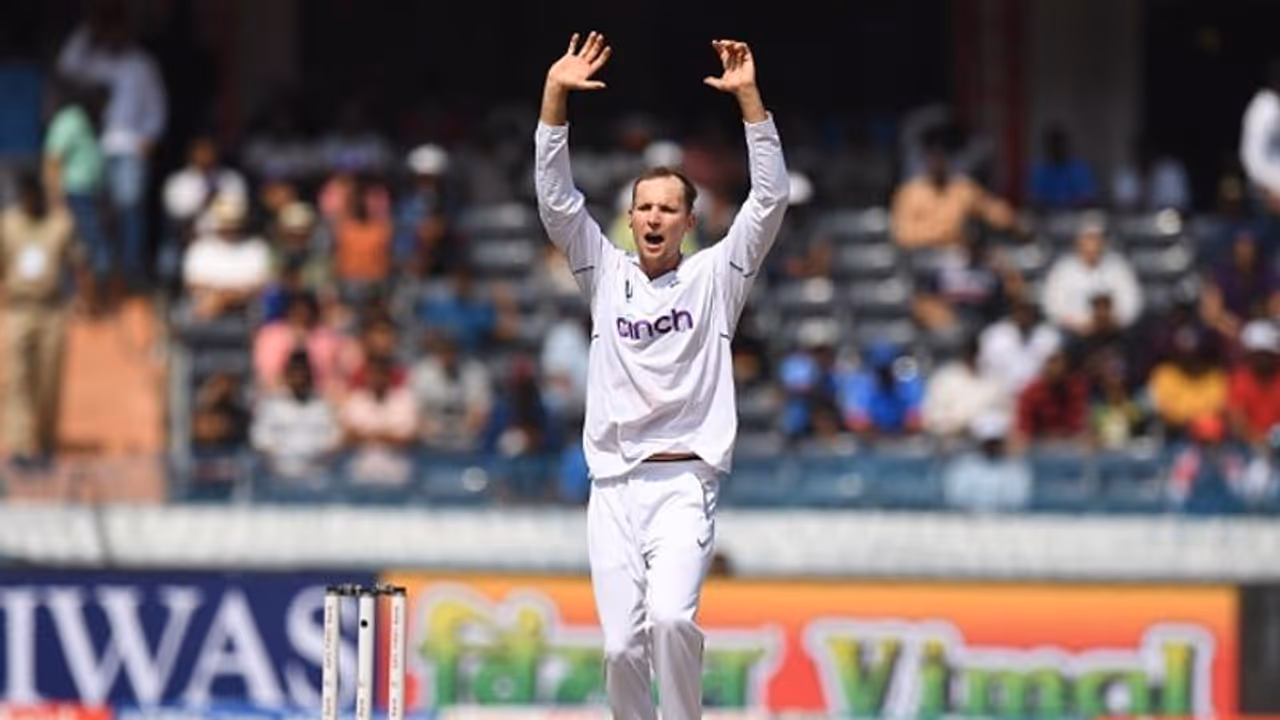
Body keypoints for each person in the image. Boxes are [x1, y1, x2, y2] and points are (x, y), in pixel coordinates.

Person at [533, 32, 789, 720]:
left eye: (667, 208)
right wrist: (556, 95)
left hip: (683, 480)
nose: (653, 218)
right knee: (620, 649)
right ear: (628, 217)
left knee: (673, 621)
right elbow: (556, 200)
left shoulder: (717, 277)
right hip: (613, 484)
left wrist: (749, 104)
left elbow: (769, 201)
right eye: (643, 207)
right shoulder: (602, 270)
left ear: (688, 221)